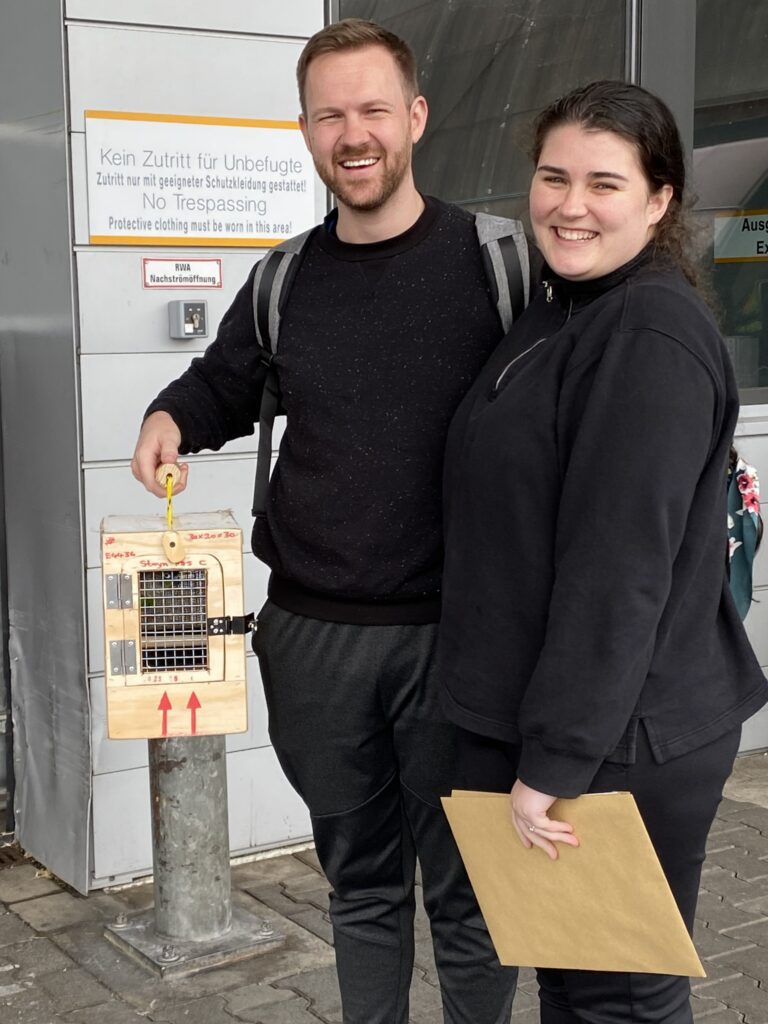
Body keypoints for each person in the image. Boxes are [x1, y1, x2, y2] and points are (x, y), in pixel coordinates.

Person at [131, 18, 520, 1024]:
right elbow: (218, 384)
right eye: (329, 115)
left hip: (460, 641)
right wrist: (170, 417)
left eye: (373, 110)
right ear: (305, 130)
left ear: (416, 117)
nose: (354, 134)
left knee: (474, 897)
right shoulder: (285, 280)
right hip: (314, 646)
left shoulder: (500, 266)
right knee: (362, 888)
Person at [438, 80, 767, 1024]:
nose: (570, 205)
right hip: (564, 726)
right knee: (573, 983)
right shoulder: (567, 305)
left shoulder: (648, 334)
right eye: (553, 177)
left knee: (620, 1000)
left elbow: (615, 575)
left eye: (604, 183)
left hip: (616, 743)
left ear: (660, 200)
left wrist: (555, 760)